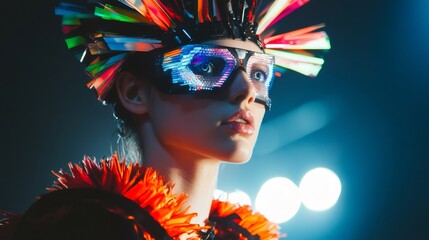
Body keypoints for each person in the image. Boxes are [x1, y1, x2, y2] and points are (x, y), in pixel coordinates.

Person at [0, 0, 330, 239]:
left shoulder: (243, 236)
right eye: (206, 67)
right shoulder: (78, 226)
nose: (245, 91)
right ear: (134, 92)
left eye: (259, 72)